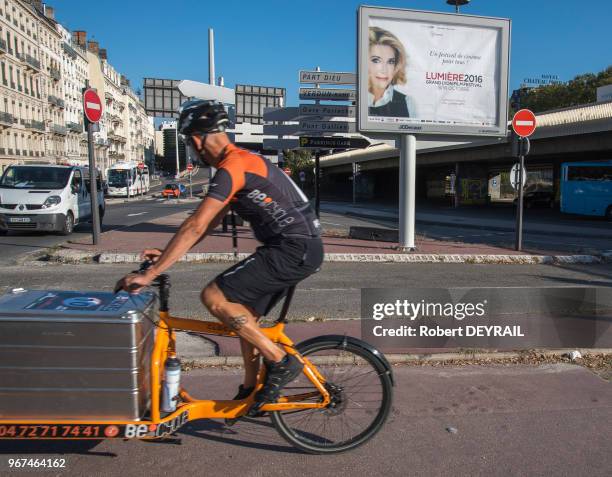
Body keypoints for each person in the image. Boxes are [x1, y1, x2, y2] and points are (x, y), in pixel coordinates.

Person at [115, 100, 323, 416]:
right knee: (244, 315)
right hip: (298, 246)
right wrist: (167, 255)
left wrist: (150, 273)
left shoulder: (232, 168)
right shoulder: (242, 162)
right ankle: (251, 389)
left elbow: (196, 223)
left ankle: (280, 361)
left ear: (196, 139)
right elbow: (208, 223)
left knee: (214, 296)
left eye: (188, 142)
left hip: (293, 248)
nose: (191, 148)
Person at [368, 26, 415, 118]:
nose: (384, 69)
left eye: (390, 62)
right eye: (376, 60)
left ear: (396, 65)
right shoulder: (355, 103)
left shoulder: (407, 103)